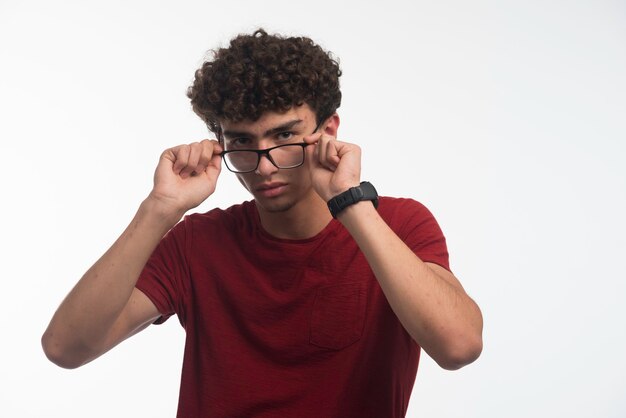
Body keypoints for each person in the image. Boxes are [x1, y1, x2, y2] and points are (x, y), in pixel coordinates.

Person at [42, 29, 483, 417]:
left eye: (285, 136)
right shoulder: (198, 243)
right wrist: (160, 208)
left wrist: (350, 202)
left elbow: (458, 346)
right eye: (242, 142)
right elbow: (66, 348)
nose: (265, 167)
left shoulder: (397, 224)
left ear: (329, 129)